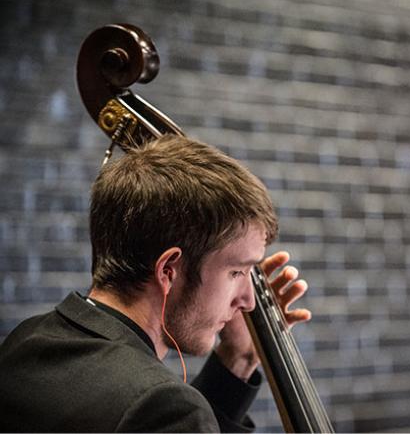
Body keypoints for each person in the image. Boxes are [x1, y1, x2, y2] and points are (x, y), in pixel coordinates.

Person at [0, 134, 311, 432]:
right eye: (236, 272)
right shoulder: (161, 406)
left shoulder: (25, 340)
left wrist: (240, 355)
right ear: (168, 270)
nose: (248, 300)